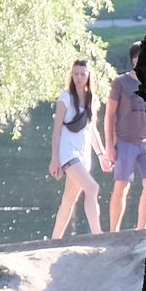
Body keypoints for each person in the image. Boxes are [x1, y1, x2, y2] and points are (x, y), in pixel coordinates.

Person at [47, 57, 107, 239]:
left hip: (83, 155)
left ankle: (54, 240)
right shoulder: (65, 98)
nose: (79, 77)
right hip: (68, 153)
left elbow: (92, 130)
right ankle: (97, 234)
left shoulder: (92, 99)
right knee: (92, 188)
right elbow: (57, 131)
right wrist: (54, 159)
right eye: (75, 74)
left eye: (82, 74)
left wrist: (101, 154)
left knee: (68, 200)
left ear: (88, 76)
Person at [105, 41, 146, 231]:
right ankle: (114, 232)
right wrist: (109, 145)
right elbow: (109, 115)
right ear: (134, 60)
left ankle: (141, 229)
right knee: (122, 185)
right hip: (125, 142)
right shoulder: (120, 83)